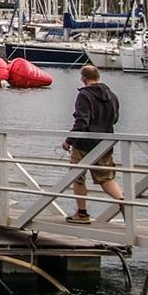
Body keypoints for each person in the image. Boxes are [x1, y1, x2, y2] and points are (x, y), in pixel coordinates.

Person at [63, 64, 123, 223]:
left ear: (83, 78)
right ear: (98, 77)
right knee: (106, 178)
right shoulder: (112, 95)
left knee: (77, 177)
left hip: (84, 144)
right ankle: (124, 203)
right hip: (104, 143)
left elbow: (82, 121)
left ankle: (82, 214)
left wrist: (69, 140)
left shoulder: (84, 95)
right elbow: (115, 118)